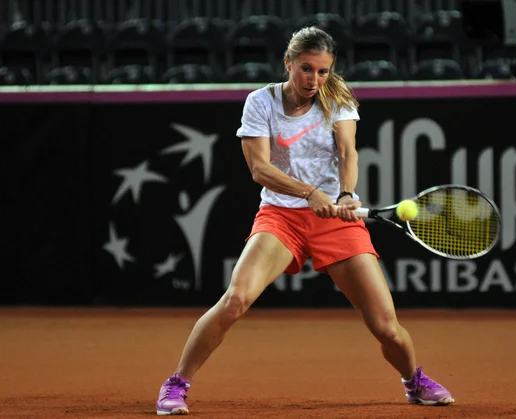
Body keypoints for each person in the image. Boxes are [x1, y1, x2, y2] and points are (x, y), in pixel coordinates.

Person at [155, 26, 454, 416]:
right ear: (289, 63)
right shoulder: (260, 102)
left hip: (335, 221)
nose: (314, 80)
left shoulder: (337, 98)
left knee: (385, 326)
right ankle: (176, 384)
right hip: (281, 217)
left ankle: (414, 381)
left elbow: (348, 153)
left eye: (323, 71)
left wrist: (345, 194)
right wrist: (309, 193)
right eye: (306, 69)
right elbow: (260, 170)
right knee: (236, 299)